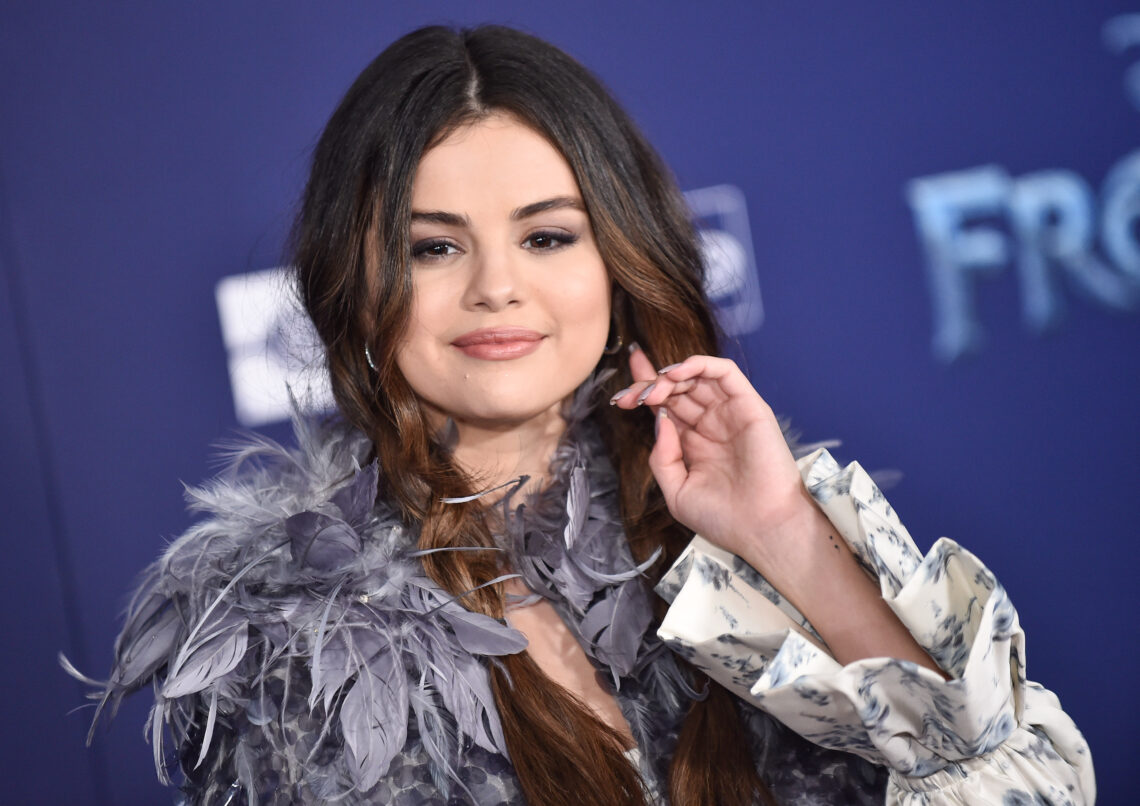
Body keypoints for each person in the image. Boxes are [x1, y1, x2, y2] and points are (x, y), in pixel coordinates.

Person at [72, 24, 1094, 805]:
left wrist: (789, 536)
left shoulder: (741, 527)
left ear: (617, 253)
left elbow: (1021, 782)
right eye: (435, 246)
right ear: (356, 278)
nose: (496, 288)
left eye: (548, 237)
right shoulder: (287, 638)